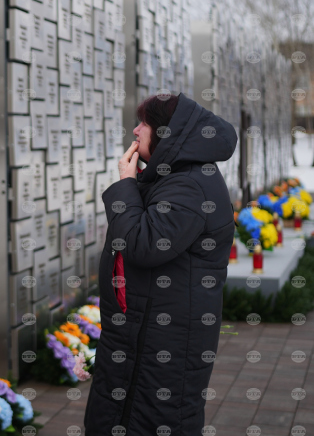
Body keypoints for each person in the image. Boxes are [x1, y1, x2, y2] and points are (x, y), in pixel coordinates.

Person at [83, 92, 238, 435]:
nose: (136, 131)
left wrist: (127, 184)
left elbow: (142, 244)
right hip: (145, 335)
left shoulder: (189, 186)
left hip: (163, 344)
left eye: (145, 124)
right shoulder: (176, 177)